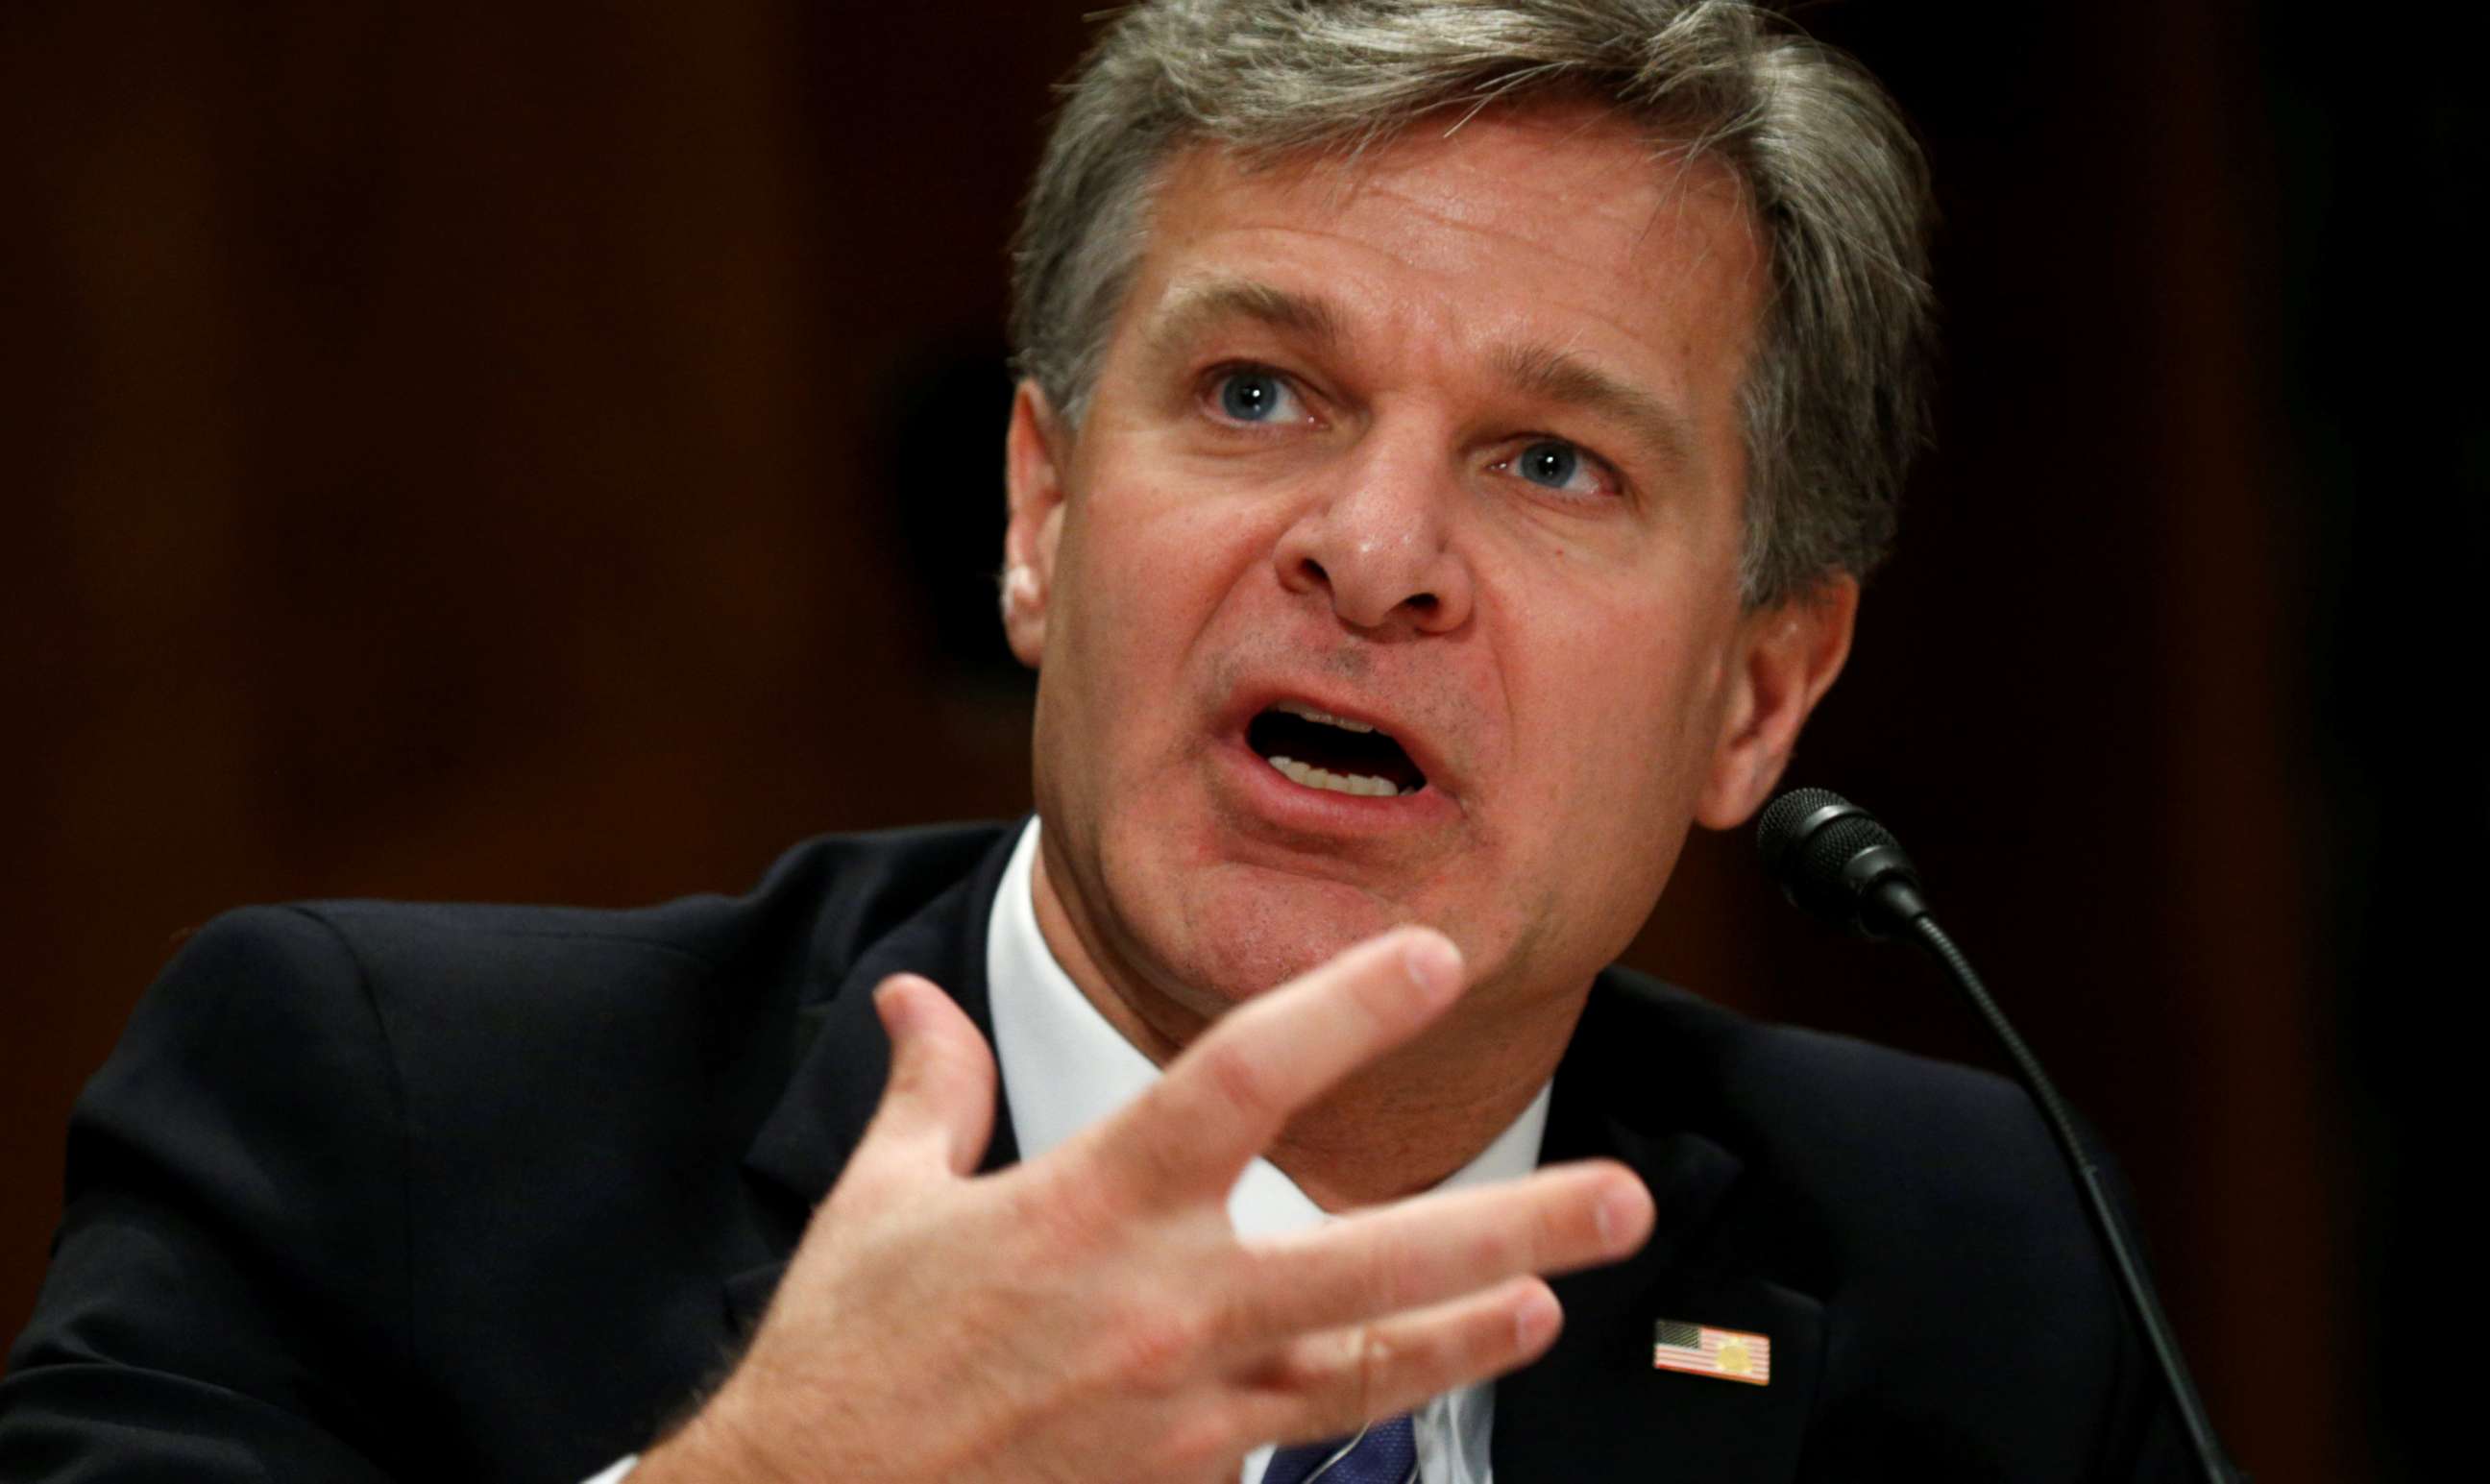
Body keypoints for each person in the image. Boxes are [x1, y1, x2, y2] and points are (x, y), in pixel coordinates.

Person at [0, 2, 2188, 1479]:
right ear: (1041, 518)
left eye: (1548, 462)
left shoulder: (1963, 1257)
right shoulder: (384, 1116)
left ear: (1759, 692)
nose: (1376, 549)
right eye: (1261, 393)